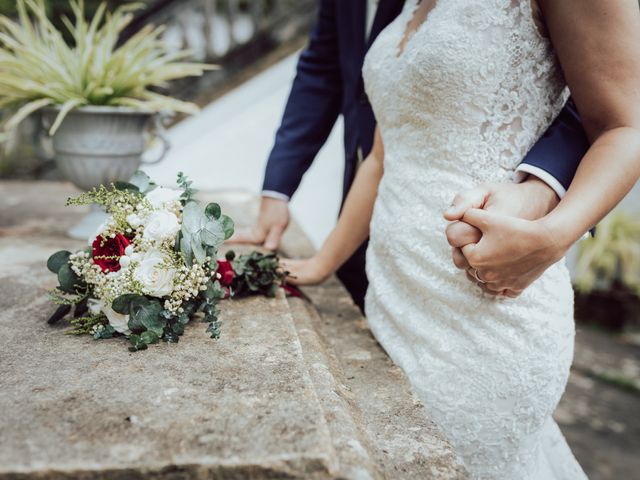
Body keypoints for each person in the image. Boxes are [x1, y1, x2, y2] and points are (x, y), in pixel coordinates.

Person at [283, 0, 640, 477]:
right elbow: (382, 160)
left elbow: (625, 126)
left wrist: (553, 237)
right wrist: (321, 262)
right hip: (392, 303)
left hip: (485, 316)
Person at [232, 0, 589, 311]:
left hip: (481, 269)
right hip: (383, 268)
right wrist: (319, 259)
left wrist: (544, 205)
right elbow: (374, 145)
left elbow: (610, 106)